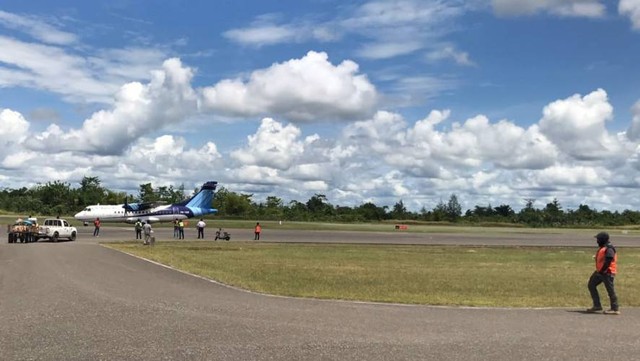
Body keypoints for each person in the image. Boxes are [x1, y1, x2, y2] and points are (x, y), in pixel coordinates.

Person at [586, 231, 620, 315]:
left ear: (602, 240)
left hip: (607, 272)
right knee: (591, 285)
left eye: (598, 239)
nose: (597, 241)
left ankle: (615, 309)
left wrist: (602, 270)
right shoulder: (603, 247)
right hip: (600, 272)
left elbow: (609, 259)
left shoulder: (609, 248)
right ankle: (597, 305)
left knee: (610, 290)